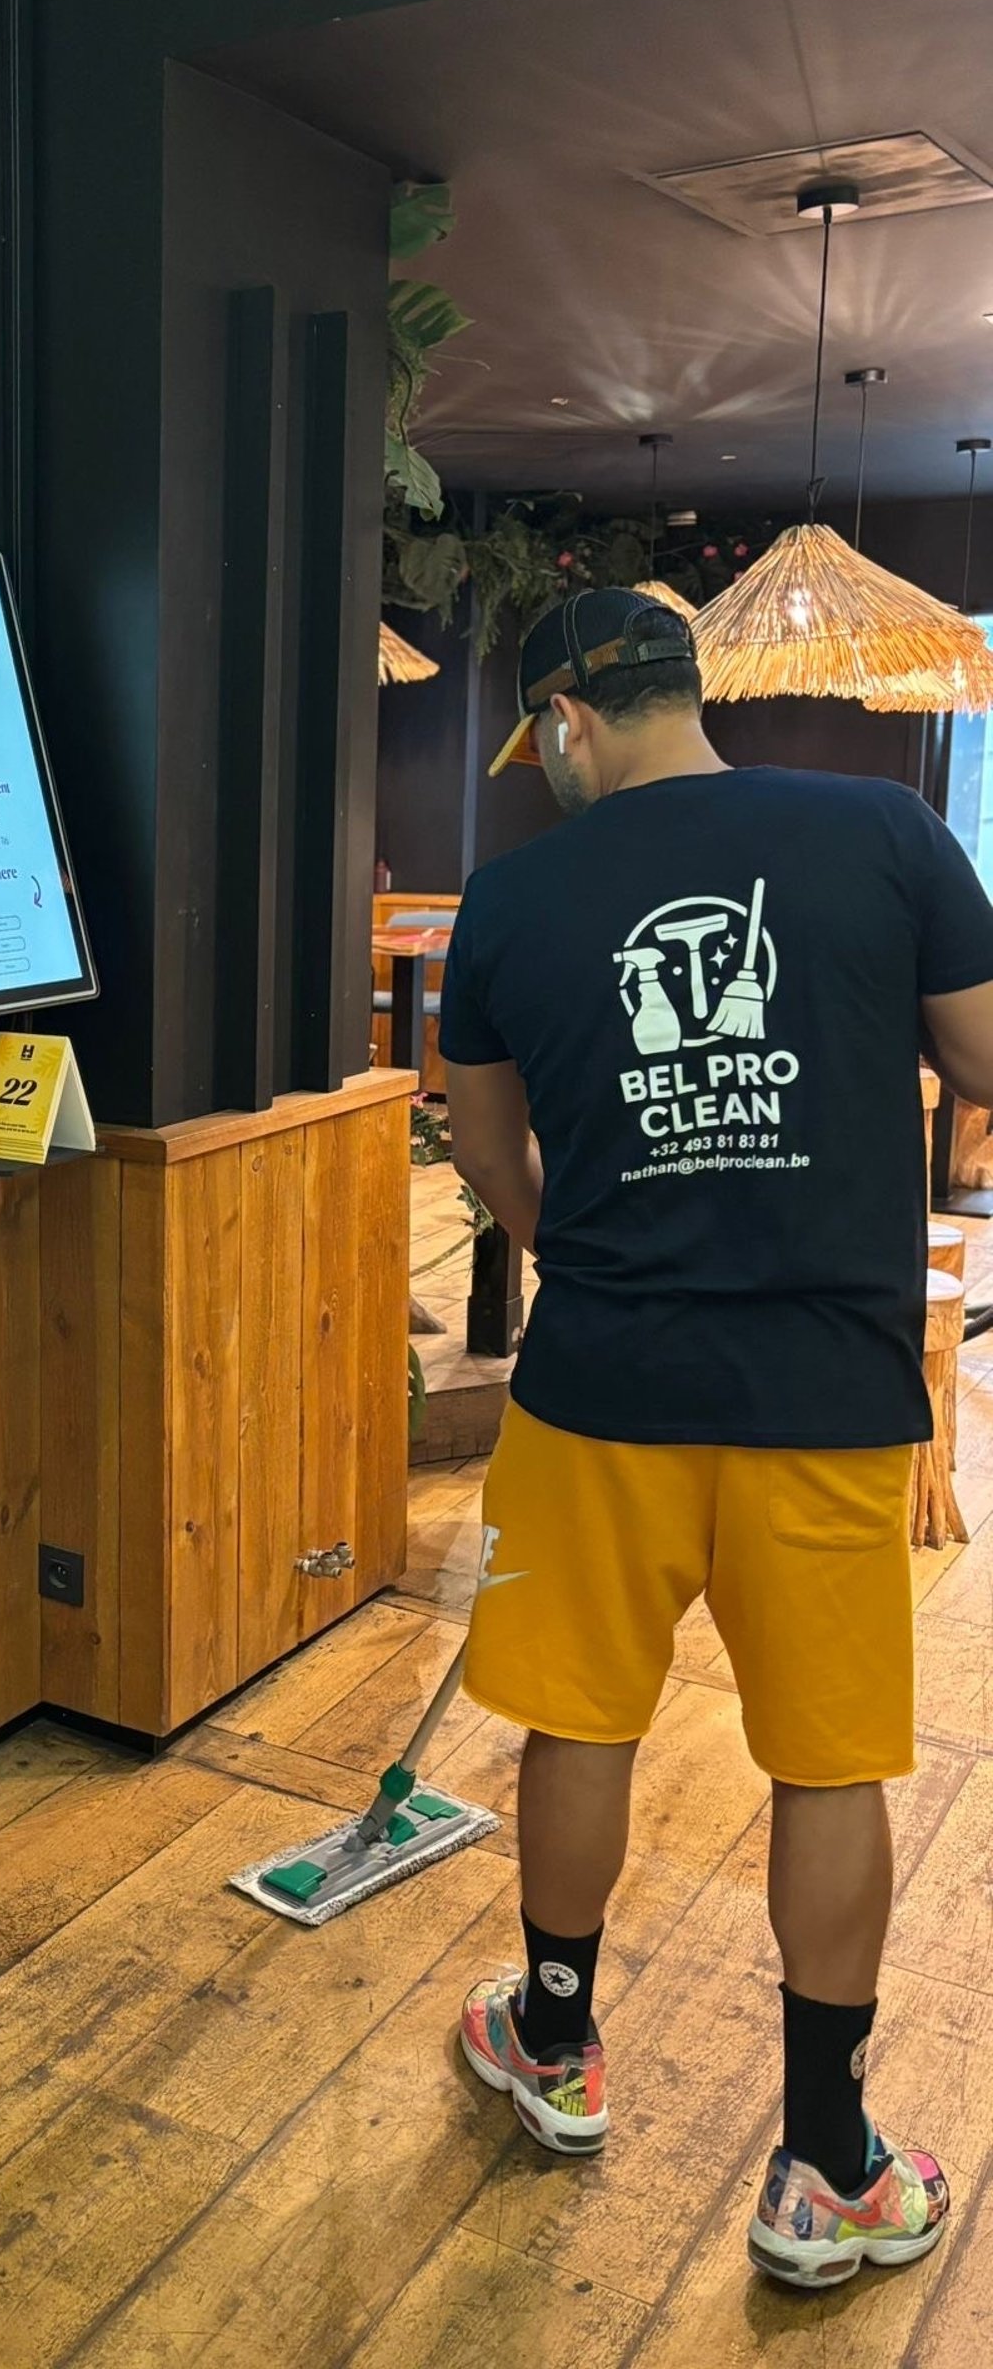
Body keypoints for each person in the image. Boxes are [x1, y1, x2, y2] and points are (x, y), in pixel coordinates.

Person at [437, 585, 993, 2291]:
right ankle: (827, 2160)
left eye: (545, 749)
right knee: (830, 1764)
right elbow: (985, 1061)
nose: (548, 775)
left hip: (601, 1386)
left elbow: (485, 1156)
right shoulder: (890, 832)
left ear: (574, 721)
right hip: (825, 1396)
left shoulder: (516, 893)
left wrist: (586, 1250)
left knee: (579, 1720)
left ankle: (552, 2039)